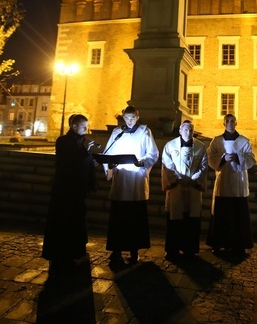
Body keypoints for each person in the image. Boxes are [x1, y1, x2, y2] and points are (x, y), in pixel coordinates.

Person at [42, 114, 97, 277]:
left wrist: (92, 179)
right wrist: (85, 151)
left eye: (86, 126)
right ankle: (59, 254)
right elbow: (68, 161)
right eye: (83, 126)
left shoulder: (84, 141)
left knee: (77, 220)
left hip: (78, 190)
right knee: (62, 221)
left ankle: (75, 251)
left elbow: (87, 162)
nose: (85, 129)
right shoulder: (63, 141)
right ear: (73, 126)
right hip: (64, 190)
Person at [103, 106, 159, 267]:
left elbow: (153, 153)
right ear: (123, 118)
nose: (129, 121)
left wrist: (142, 162)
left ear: (137, 117)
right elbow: (108, 152)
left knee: (135, 216)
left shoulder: (144, 132)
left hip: (136, 179)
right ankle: (116, 250)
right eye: (127, 118)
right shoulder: (116, 133)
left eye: (132, 118)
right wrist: (110, 165)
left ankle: (134, 251)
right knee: (118, 217)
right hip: (121, 179)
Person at [206, 113, 256, 259]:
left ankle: (239, 245)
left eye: (232, 121)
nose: (229, 123)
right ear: (223, 123)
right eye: (227, 121)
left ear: (236, 123)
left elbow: (251, 158)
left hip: (238, 182)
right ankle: (218, 243)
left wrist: (238, 157)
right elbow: (210, 156)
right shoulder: (217, 141)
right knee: (221, 214)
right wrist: (222, 158)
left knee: (239, 214)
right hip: (224, 181)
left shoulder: (244, 141)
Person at [161, 120, 208, 260]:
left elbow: (204, 166)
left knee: (191, 219)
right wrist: (178, 179)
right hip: (177, 187)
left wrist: (193, 179)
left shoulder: (200, 146)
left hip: (193, 188)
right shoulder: (170, 146)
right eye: (186, 130)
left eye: (191, 130)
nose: (188, 133)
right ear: (180, 131)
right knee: (175, 218)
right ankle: (172, 249)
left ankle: (190, 249)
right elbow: (167, 164)